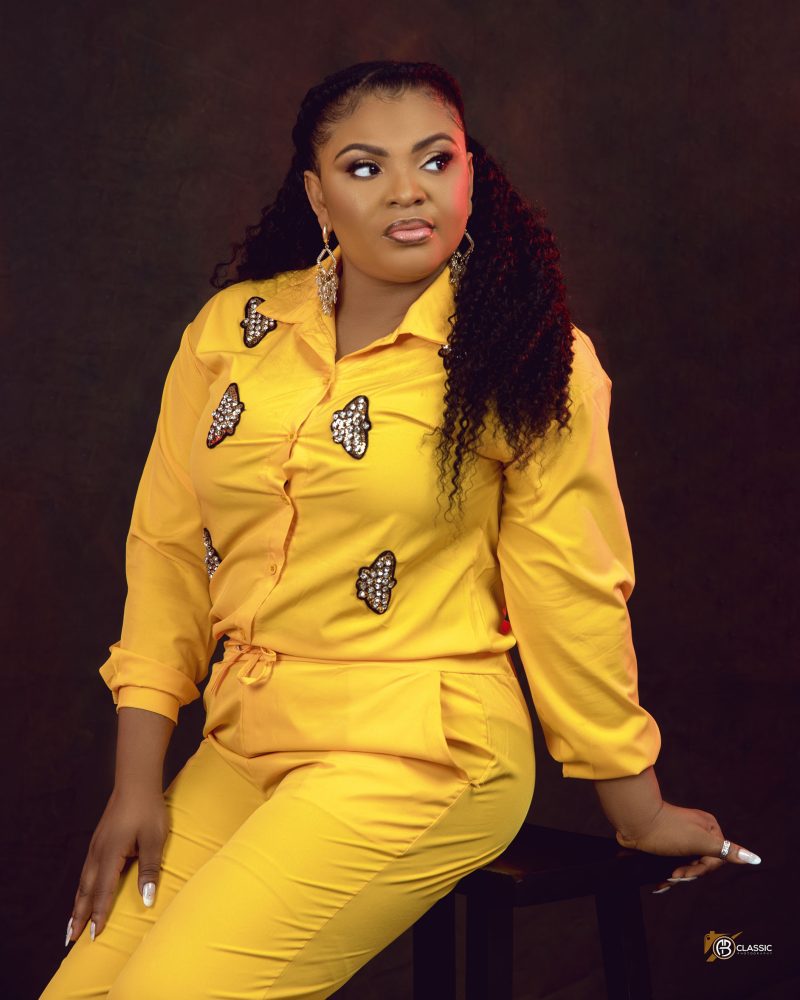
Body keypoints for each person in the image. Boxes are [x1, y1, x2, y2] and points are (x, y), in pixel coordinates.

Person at [40, 59, 761, 1000]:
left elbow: (571, 597)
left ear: (470, 174)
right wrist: (135, 784)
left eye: (434, 159)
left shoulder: (531, 360)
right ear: (318, 196)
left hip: (422, 752)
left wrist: (639, 806)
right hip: (244, 743)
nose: (408, 189)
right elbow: (169, 550)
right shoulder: (233, 330)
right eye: (365, 167)